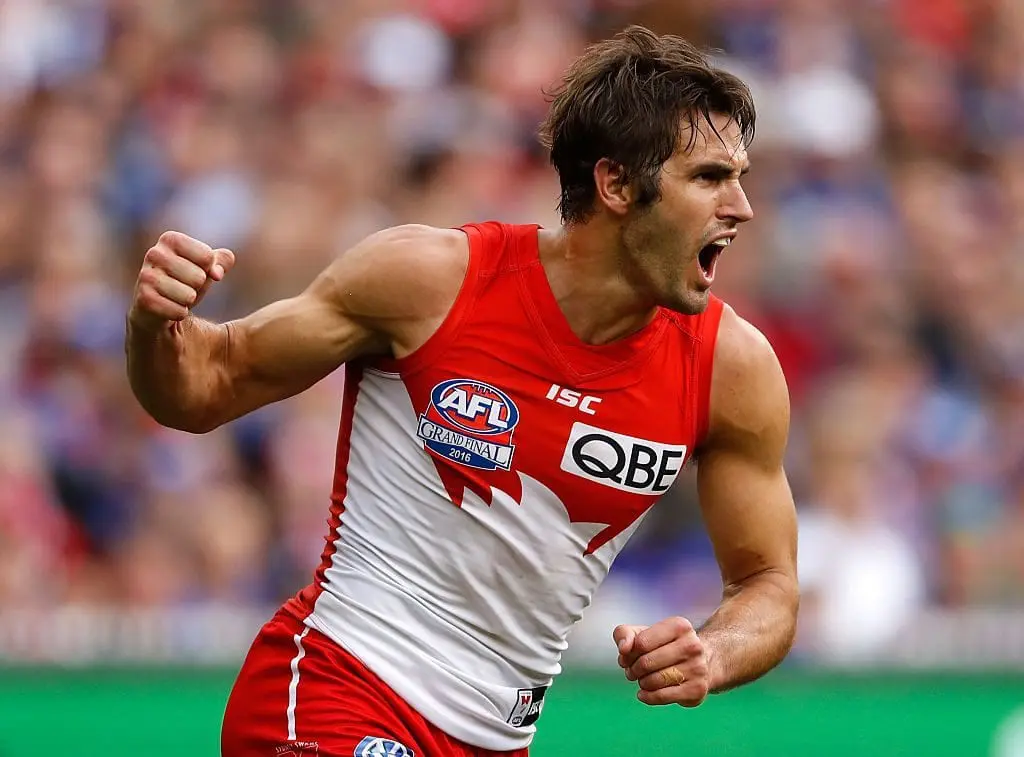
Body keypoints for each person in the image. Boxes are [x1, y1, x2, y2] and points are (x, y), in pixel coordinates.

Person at [125, 25, 798, 757]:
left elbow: (768, 582)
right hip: (336, 685)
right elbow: (202, 387)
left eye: (740, 177)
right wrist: (155, 323)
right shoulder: (431, 279)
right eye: (708, 177)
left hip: (494, 740)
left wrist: (717, 651)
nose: (741, 206)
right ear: (614, 183)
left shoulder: (733, 368)